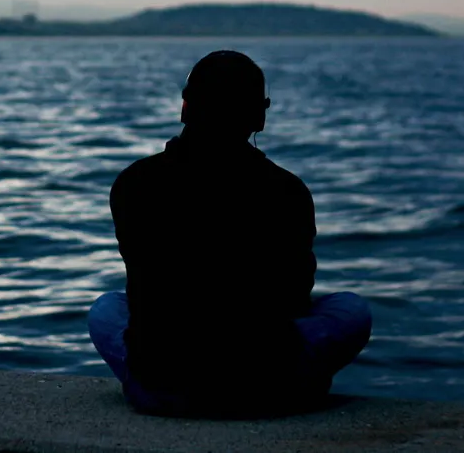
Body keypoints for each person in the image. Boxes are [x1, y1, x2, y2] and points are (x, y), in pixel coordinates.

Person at [88, 50, 371, 417]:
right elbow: (293, 297)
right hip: (263, 386)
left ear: (185, 108)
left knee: (106, 308)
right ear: (260, 116)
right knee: (351, 309)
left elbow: (144, 285)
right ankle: (294, 382)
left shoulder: (134, 183)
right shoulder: (286, 191)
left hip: (160, 388)